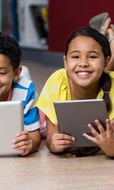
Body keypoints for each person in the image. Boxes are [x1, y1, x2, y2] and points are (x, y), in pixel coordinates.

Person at [36, 27, 114, 157]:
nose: (83, 63)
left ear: (106, 62)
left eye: (92, 56)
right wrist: (53, 144)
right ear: (65, 62)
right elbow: (50, 138)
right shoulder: (57, 81)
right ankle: (103, 32)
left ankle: (108, 36)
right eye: (76, 56)